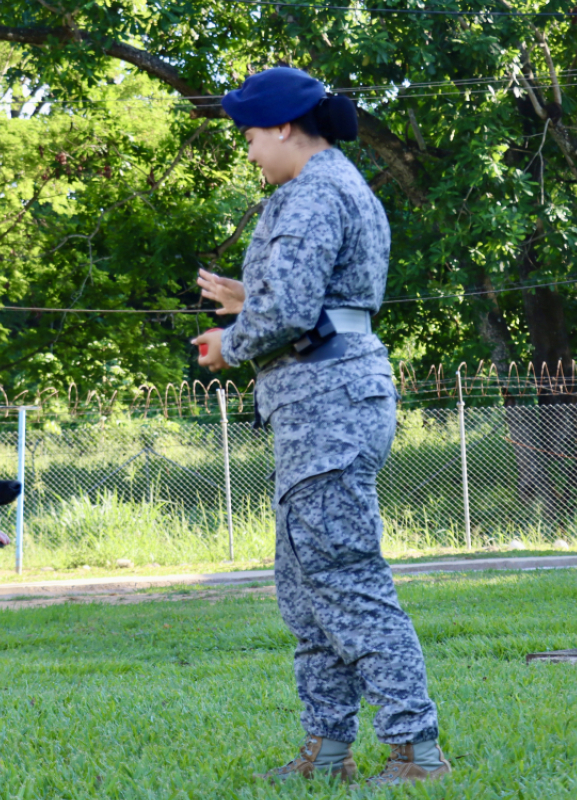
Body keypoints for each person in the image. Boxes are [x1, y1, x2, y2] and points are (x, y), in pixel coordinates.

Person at [191, 67, 450, 788]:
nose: (248, 152)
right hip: (323, 400)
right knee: (306, 591)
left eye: (248, 136)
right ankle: (326, 750)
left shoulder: (309, 195)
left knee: (346, 580)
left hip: (326, 405)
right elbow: (323, 296)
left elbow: (291, 314)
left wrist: (229, 342)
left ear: (281, 127)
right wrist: (251, 297)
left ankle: (416, 752)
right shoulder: (338, 184)